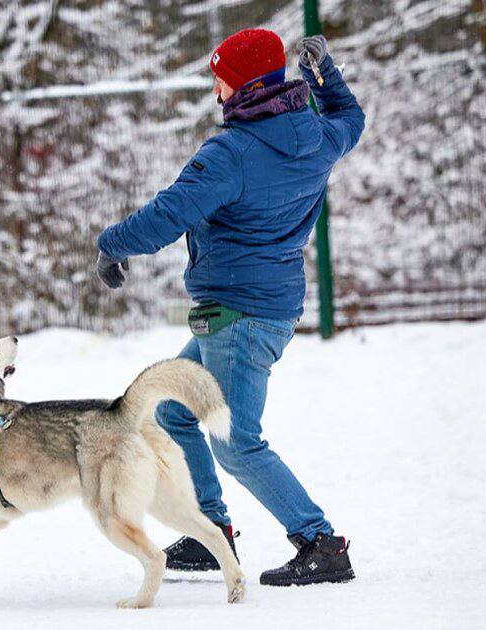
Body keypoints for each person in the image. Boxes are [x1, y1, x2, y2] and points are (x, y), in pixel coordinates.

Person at [94, 29, 365, 586]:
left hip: (238, 315)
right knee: (174, 413)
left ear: (241, 83)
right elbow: (351, 118)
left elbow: (167, 216)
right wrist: (326, 76)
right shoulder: (317, 134)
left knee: (236, 440)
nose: (215, 88)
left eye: (219, 77)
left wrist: (111, 244)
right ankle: (209, 533)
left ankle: (320, 543)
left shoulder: (231, 154)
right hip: (266, 305)